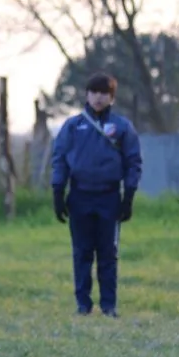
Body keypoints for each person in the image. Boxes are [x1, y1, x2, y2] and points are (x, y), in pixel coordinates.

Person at [50, 72, 142, 318]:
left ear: (112, 97)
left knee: (108, 253)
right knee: (82, 252)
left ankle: (109, 305)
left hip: (109, 198)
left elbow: (133, 162)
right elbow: (59, 160)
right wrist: (58, 191)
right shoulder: (72, 126)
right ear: (87, 95)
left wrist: (128, 196)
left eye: (105, 93)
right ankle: (83, 304)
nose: (99, 98)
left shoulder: (122, 127)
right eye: (94, 92)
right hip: (80, 197)